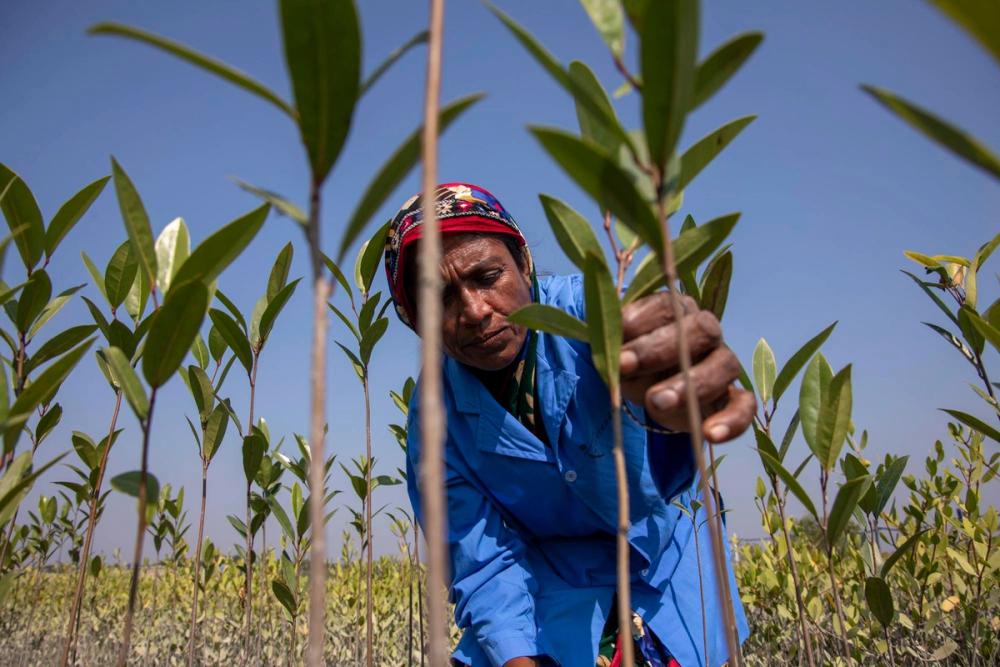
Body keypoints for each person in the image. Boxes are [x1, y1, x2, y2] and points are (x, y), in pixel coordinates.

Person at [384, 183, 755, 667]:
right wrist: (517, 656)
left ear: (525, 265)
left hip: (669, 563)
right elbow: (483, 561)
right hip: (554, 588)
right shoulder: (435, 421)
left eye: (488, 276)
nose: (474, 311)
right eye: (440, 299)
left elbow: (658, 353)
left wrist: (680, 387)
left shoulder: (594, 315)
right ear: (416, 321)